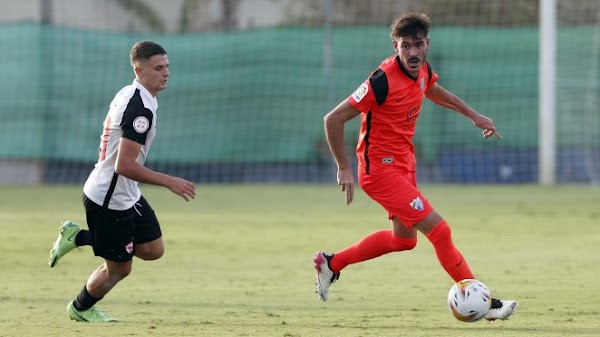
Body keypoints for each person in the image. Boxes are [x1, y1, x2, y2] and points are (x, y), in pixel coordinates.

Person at [313, 13, 518, 321]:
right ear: (396, 46)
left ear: (427, 46)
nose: (412, 52)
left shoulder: (422, 69)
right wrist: (343, 166)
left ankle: (332, 263)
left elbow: (433, 89)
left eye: (417, 45)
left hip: (404, 165)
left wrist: (473, 115)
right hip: (379, 172)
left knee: (404, 240)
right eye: (405, 46)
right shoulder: (381, 81)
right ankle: (486, 305)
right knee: (440, 230)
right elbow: (333, 119)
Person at [48, 41, 196, 322]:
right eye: (158, 68)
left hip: (126, 192)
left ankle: (79, 237)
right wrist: (169, 181)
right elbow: (124, 165)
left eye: (167, 67)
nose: (166, 73)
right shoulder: (139, 108)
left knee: (153, 250)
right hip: (108, 199)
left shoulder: (134, 94)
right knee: (119, 269)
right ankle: (80, 308)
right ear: (139, 70)